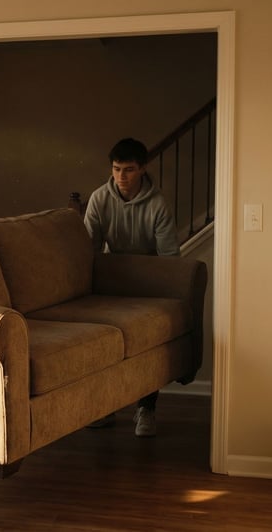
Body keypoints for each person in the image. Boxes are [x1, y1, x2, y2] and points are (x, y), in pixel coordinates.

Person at [83, 137, 179, 438]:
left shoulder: (158, 204)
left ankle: (146, 409)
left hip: (149, 281)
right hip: (113, 280)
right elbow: (89, 249)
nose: (121, 177)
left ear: (143, 169)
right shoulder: (100, 198)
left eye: (128, 170)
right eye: (116, 169)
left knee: (147, 345)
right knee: (104, 343)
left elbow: (169, 258)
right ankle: (106, 406)